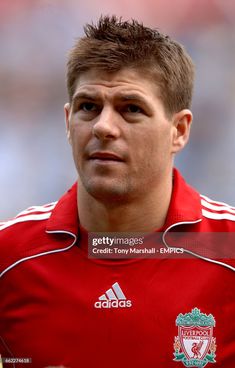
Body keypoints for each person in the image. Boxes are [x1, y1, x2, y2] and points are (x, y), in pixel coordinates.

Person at [0, 15, 235, 368]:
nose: (103, 127)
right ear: (67, 122)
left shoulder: (227, 249)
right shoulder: (10, 257)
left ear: (179, 130)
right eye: (88, 107)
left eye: (131, 109)